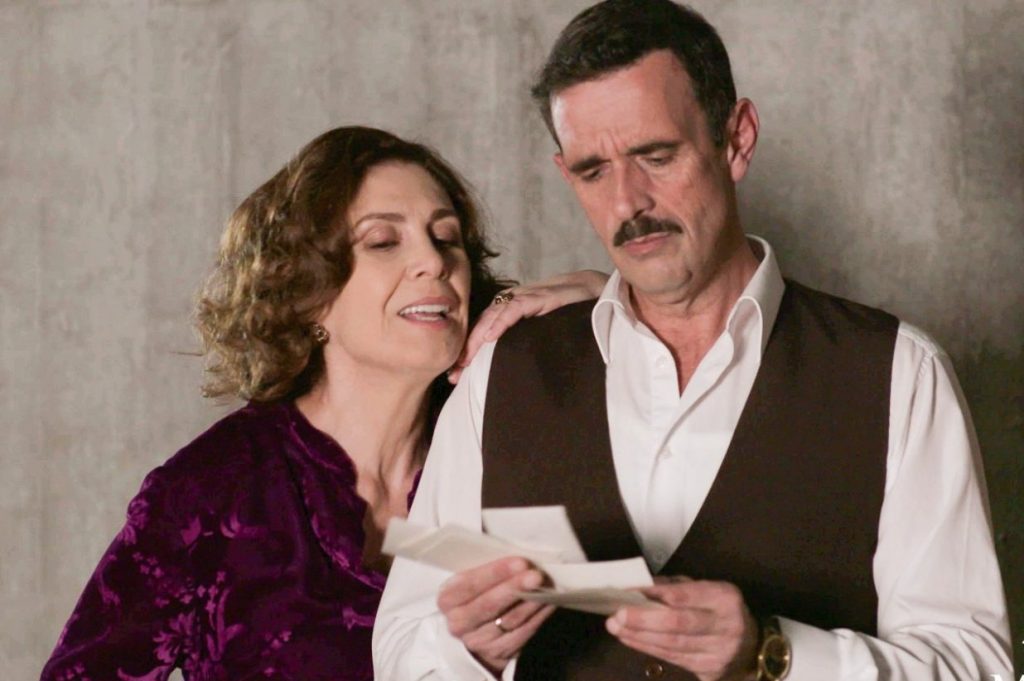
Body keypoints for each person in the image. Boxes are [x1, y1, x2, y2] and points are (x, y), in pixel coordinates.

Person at [373, 2, 1013, 680]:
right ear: (566, 174)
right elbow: (403, 653)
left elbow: (976, 667)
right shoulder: (503, 372)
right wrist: (470, 651)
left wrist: (773, 653)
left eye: (656, 156)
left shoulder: (899, 374)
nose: (628, 202)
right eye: (594, 171)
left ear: (736, 139)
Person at [40, 125, 607, 681]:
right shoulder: (209, 491)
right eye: (383, 241)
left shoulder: (514, 449)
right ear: (307, 291)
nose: (434, 262)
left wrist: (605, 292)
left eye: (446, 237)